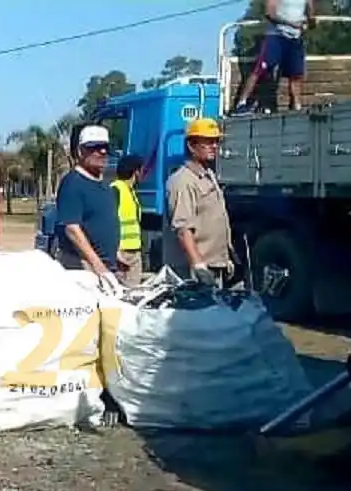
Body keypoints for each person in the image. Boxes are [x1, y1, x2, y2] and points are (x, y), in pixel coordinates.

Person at [163, 117, 234, 287]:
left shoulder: (208, 175)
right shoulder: (182, 181)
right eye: (208, 142)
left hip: (214, 265)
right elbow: (183, 229)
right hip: (194, 271)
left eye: (216, 141)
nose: (214, 146)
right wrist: (199, 266)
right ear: (191, 145)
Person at [55, 124, 122, 296]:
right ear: (80, 151)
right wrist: (98, 266)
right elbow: (72, 229)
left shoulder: (105, 185)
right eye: (94, 148)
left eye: (105, 147)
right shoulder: (73, 183)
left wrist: (116, 254)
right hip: (83, 266)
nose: (102, 152)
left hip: (106, 265)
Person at [231, 0, 315, 115]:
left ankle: (297, 106)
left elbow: (310, 15)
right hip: (276, 36)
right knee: (260, 68)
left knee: (295, 74)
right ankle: (242, 103)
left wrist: (310, 22)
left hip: (295, 38)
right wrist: (291, 23)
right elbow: (270, 13)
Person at [110, 155, 146, 286]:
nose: (143, 174)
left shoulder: (131, 192)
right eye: (142, 170)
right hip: (121, 253)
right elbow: (109, 222)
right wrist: (115, 251)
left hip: (134, 252)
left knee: (134, 292)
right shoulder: (116, 189)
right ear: (136, 171)